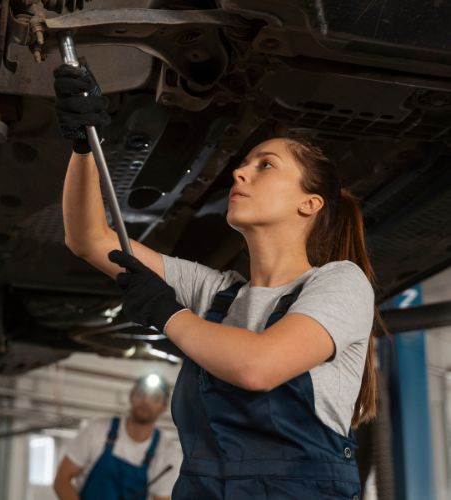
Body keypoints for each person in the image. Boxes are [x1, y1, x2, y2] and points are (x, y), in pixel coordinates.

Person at [54, 63, 381, 499]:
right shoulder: (217, 295)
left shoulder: (341, 282)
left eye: (265, 165)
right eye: (243, 164)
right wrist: (84, 146)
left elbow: (257, 367)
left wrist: (168, 314)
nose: (239, 174)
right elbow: (90, 240)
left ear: (309, 203)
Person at [53, 374, 181, 500]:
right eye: (141, 393)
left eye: (155, 398)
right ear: (131, 396)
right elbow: (62, 480)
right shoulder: (97, 430)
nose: (146, 401)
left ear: (164, 407)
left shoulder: (168, 453)